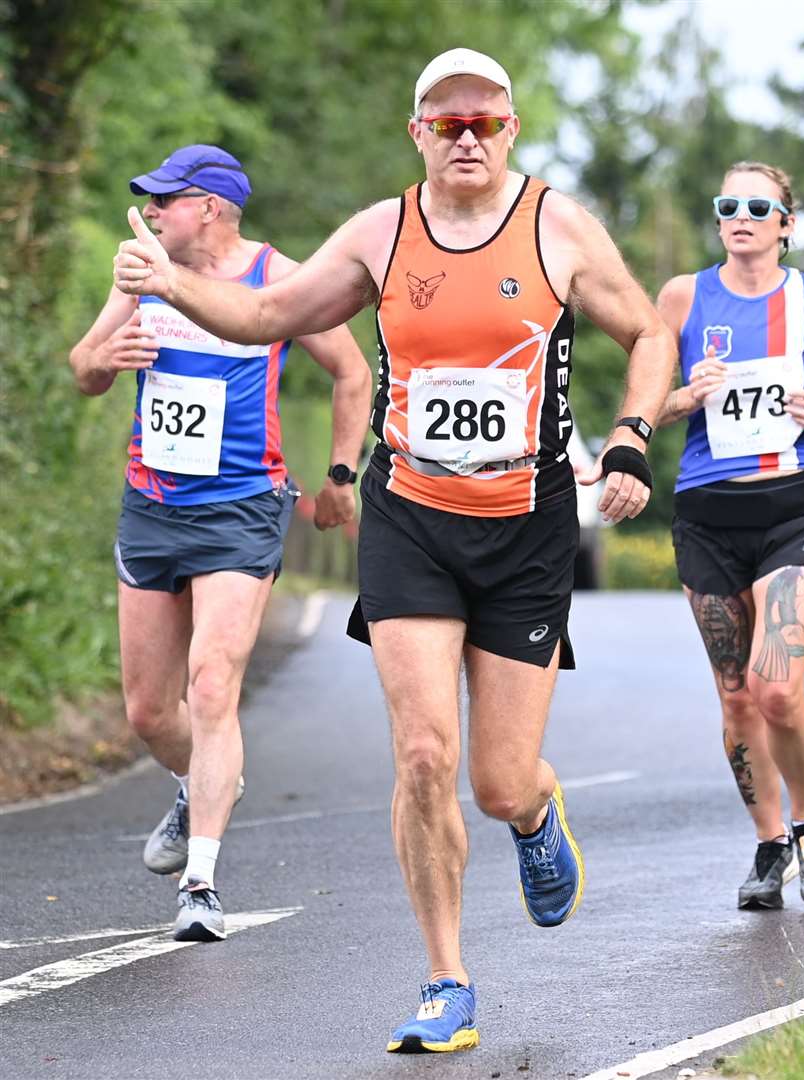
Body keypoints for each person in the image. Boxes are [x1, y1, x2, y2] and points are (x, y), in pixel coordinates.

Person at [114, 51, 674, 1054]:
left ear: (510, 129)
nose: (466, 138)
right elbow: (268, 316)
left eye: (484, 123)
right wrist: (170, 283)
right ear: (417, 131)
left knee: (498, 780)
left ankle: (535, 813)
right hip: (410, 514)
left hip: (528, 524)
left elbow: (649, 333)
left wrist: (632, 431)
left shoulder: (557, 226)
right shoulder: (383, 231)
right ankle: (445, 979)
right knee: (423, 755)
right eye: (446, 123)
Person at [70, 144, 371, 942]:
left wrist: (340, 475)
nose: (152, 211)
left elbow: (352, 369)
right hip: (152, 506)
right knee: (147, 710)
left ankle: (200, 883)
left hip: (242, 507)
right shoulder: (140, 271)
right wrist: (108, 358)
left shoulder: (279, 277)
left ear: (208, 207)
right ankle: (200, 781)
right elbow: (81, 367)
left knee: (212, 686)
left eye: (165, 200)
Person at [654, 161, 804, 911]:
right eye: (728, 205)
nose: (740, 216)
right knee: (737, 696)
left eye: (758, 206)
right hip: (708, 512)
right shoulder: (684, 296)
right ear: (717, 219)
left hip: (793, 508)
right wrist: (690, 394)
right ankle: (769, 841)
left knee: (778, 688)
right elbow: (651, 399)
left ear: (786, 223)